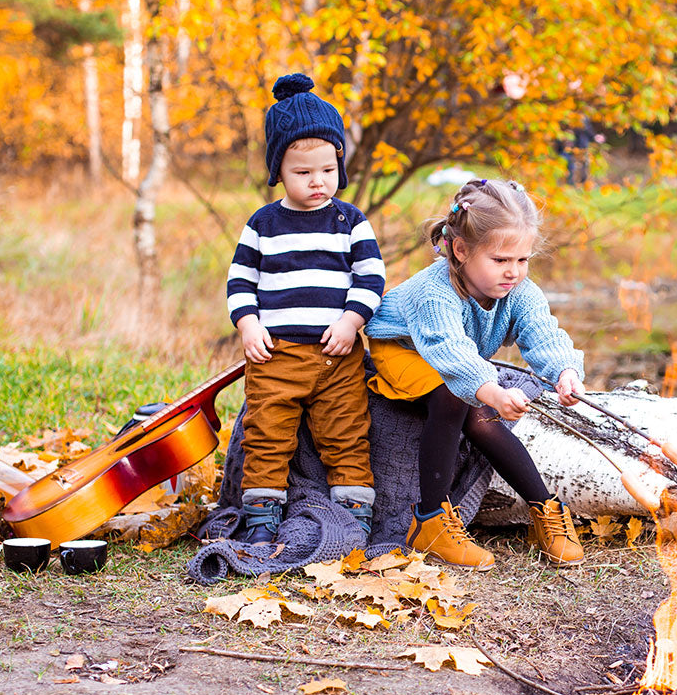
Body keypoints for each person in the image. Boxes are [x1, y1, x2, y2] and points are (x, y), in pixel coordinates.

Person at [365, 178, 587, 569]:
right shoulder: (433, 292)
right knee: (457, 396)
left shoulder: (519, 290)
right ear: (462, 250)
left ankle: (546, 510)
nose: (513, 272)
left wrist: (564, 372)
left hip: (457, 357)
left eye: (523, 259)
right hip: (404, 349)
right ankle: (430, 520)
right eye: (500, 260)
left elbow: (542, 333)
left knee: (477, 410)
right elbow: (450, 354)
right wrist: (492, 391)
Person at [226, 73, 386, 544]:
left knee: (347, 431)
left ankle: (354, 514)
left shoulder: (350, 220)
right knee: (267, 432)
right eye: (303, 173)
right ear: (279, 169)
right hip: (275, 356)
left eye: (327, 170)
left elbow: (372, 279)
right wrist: (248, 324)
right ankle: (260, 517)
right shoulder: (263, 224)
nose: (318, 182)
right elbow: (240, 281)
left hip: (337, 354)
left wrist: (351, 320)